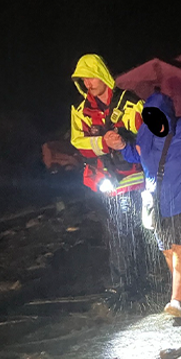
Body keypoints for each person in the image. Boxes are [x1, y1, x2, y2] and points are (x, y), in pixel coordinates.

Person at [121, 91, 181, 318]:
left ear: (168, 115)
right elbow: (137, 155)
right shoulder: (144, 133)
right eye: (149, 116)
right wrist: (122, 144)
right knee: (168, 252)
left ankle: (177, 301)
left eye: (158, 115)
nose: (153, 121)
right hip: (157, 206)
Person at [69, 54, 149, 298]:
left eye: (91, 77)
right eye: (83, 79)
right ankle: (123, 285)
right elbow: (78, 143)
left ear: (102, 74)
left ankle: (140, 279)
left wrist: (124, 142)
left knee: (139, 230)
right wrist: (103, 142)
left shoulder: (132, 103)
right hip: (103, 181)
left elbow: (148, 136)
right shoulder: (81, 111)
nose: (88, 83)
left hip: (133, 179)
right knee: (114, 233)